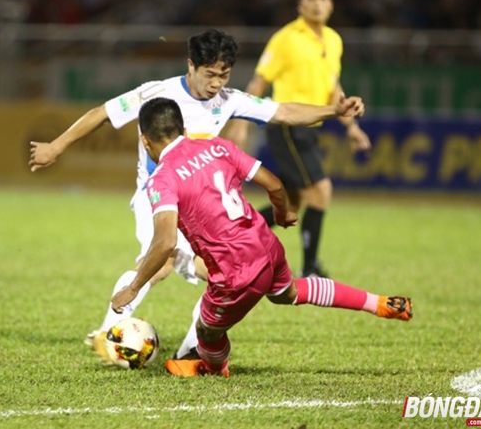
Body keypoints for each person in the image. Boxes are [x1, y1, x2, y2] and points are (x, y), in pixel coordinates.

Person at [29, 29, 365, 363]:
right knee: (161, 262)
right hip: (157, 197)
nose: (217, 83)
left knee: (220, 273)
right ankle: (107, 333)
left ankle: (191, 350)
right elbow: (101, 114)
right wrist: (56, 146)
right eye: (210, 74)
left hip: (197, 205)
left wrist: (334, 111)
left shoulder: (229, 99)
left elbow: (285, 112)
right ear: (191, 65)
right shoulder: (157, 93)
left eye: (224, 74)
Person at [111, 97, 412, 377]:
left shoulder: (161, 179)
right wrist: (282, 214)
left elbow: (165, 241)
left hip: (234, 271)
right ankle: (379, 303)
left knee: (207, 331)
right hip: (267, 246)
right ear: (184, 129)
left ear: (145, 140)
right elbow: (275, 185)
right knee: (289, 293)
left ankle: (214, 370)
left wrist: (134, 288)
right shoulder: (219, 147)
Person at [227, 0, 371, 278]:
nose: (317, 4)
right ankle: (310, 268)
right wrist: (242, 121)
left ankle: (233, 241)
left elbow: (333, 87)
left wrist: (351, 127)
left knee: (291, 203)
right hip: (286, 125)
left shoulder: (333, 40)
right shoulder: (285, 39)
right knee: (320, 191)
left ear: (332, 5)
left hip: (312, 128)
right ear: (300, 5)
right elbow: (260, 80)